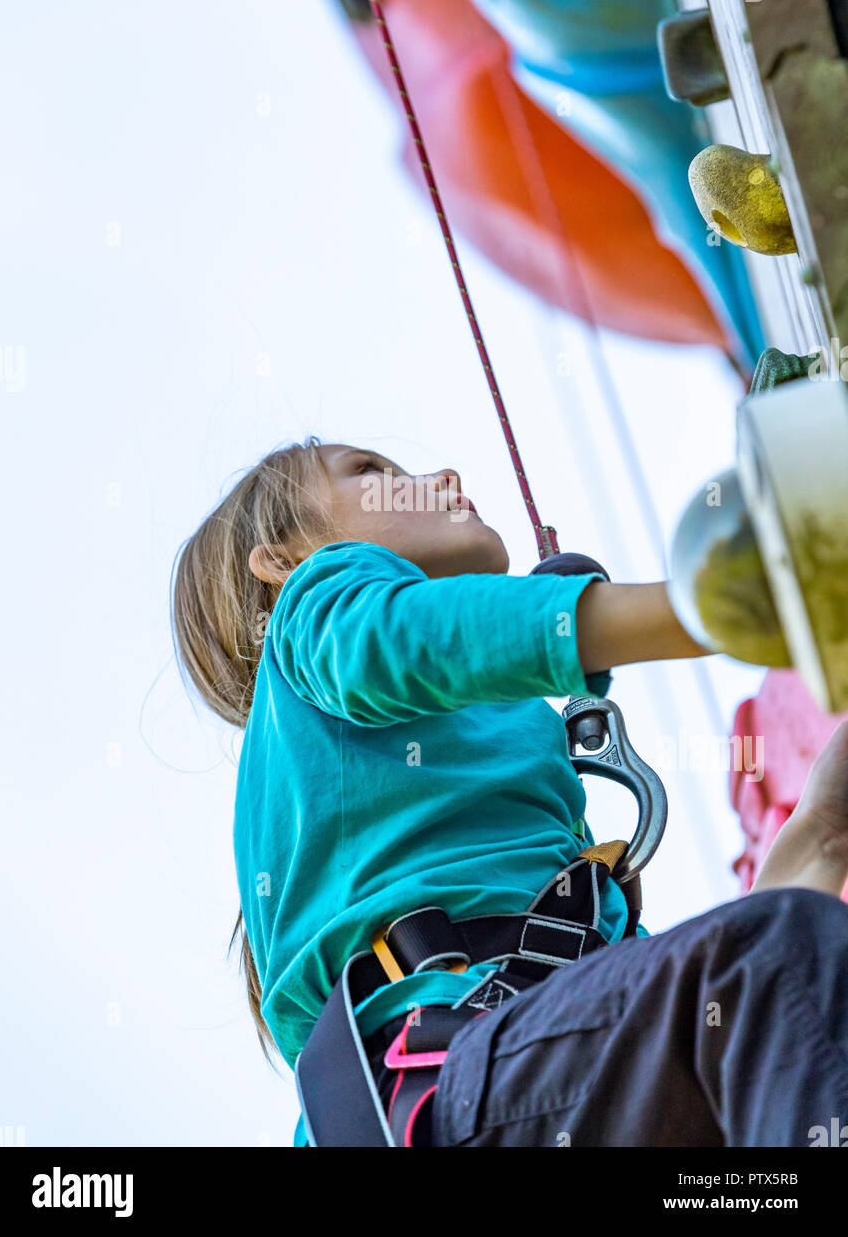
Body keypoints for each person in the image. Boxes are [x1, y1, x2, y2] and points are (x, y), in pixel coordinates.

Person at [171, 436, 848, 1146]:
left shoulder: (498, 813)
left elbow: (752, 1007)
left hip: (494, 1091)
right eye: (373, 474)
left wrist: (824, 831)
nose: (443, 475)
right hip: (456, 1081)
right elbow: (417, 638)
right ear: (283, 559)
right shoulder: (311, 617)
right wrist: (730, 606)